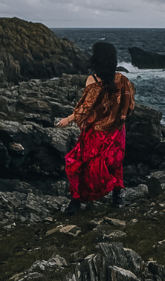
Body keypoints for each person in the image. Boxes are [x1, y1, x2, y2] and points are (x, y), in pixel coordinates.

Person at [56, 41, 135, 214]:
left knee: (78, 163)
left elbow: (86, 107)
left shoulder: (92, 80)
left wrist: (68, 119)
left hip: (96, 133)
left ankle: (75, 202)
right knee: (114, 164)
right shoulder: (122, 80)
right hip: (116, 131)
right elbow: (129, 106)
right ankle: (117, 199)